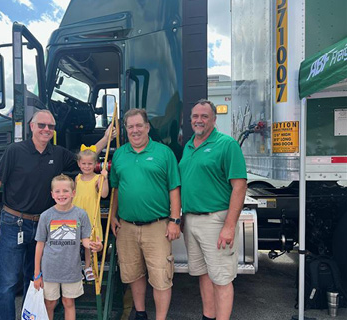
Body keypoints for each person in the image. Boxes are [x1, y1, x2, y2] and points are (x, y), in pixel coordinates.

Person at [0, 109, 113, 320]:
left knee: (35, 281)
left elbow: (88, 156)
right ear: (31, 126)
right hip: (14, 223)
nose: (46, 130)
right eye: (41, 125)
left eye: (50, 126)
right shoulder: (14, 151)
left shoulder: (58, 154)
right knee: (8, 283)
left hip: (44, 226)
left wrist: (105, 138)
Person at [110, 109, 181, 320]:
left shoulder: (164, 153)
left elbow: (174, 188)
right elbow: (115, 188)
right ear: (126, 129)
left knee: (161, 276)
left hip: (157, 226)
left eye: (139, 125)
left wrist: (175, 220)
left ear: (147, 127)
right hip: (127, 226)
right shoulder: (120, 154)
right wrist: (113, 216)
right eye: (130, 127)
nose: (135, 130)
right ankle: (140, 313)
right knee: (134, 273)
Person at [179, 99, 247, 320]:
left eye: (204, 116)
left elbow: (239, 186)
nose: (199, 120)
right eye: (195, 116)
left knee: (221, 279)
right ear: (190, 120)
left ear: (214, 119)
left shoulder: (227, 145)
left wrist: (229, 226)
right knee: (203, 275)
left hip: (216, 221)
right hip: (191, 220)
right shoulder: (189, 146)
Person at [33, 174, 103, 320]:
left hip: (71, 268)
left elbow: (85, 241)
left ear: (73, 193)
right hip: (50, 268)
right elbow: (40, 245)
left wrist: (95, 245)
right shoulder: (46, 216)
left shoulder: (81, 214)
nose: (61, 194)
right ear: (52, 194)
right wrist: (37, 273)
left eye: (65, 191)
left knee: (68, 302)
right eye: (57, 191)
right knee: (50, 303)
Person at [72, 146, 109, 281]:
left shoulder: (98, 178)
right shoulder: (77, 178)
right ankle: (76, 268)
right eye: (84, 164)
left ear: (95, 164)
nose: (87, 166)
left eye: (90, 164)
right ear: (79, 164)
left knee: (89, 243)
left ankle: (88, 267)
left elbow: (104, 194)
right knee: (75, 243)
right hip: (77, 214)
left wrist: (105, 179)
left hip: (90, 215)